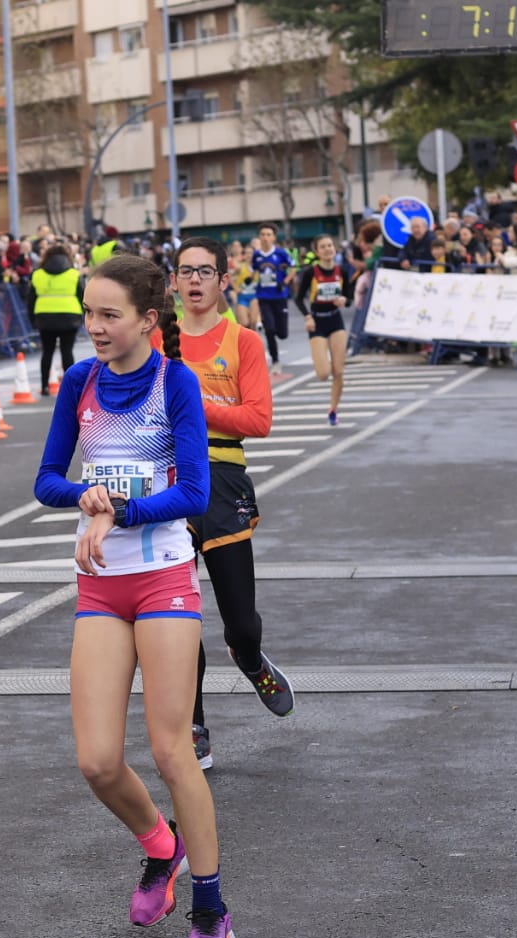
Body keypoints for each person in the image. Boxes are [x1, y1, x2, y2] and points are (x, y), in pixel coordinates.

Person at [32, 253, 236, 938]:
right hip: (101, 585)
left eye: (109, 315)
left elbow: (196, 494)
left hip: (162, 578)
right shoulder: (80, 382)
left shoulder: (174, 383)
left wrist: (122, 509)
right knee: (96, 761)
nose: (94, 327)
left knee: (173, 750)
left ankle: (212, 910)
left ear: (150, 320)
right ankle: (162, 847)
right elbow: (47, 480)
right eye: (90, 313)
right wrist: (82, 496)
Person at [155, 237, 294, 771]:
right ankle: (194, 724)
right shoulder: (157, 341)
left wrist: (193, 399)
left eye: (205, 272)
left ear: (221, 281)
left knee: (240, 617)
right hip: (167, 482)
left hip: (224, 480)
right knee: (178, 616)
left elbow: (258, 420)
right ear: (173, 280)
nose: (194, 281)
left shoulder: (244, 341)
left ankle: (250, 657)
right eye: (186, 271)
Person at [292, 235, 355, 425]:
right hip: (317, 322)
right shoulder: (311, 272)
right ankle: (322, 359)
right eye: (323, 247)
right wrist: (307, 316)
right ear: (317, 252)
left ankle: (333, 410)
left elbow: (349, 297)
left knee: (339, 371)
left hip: (336, 321)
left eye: (330, 245)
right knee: (323, 373)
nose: (328, 249)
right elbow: (298, 298)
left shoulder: (342, 270)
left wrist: (345, 300)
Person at [29, 242, 84, 394]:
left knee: (47, 352)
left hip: (44, 317)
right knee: (67, 352)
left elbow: (30, 300)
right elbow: (82, 296)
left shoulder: (37, 274)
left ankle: (44, 386)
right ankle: (70, 388)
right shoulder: (74, 274)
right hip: (69, 315)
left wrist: (32, 320)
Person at [251, 223, 293, 368]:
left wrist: (285, 281)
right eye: (262, 235)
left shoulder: (281, 253)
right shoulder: (256, 256)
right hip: (264, 296)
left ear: (274, 237)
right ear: (259, 237)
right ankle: (275, 360)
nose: (265, 238)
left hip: (280, 296)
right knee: (269, 329)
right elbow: (254, 272)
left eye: (268, 235)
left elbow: (293, 268)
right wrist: (250, 280)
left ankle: (279, 334)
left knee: (282, 334)